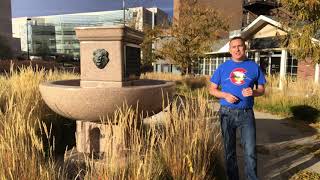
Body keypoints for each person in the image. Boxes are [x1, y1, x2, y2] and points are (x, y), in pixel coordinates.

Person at [209, 36, 266, 180]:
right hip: (226, 114)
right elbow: (212, 90)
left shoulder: (254, 67)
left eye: (240, 46)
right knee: (229, 151)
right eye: (234, 47)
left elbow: (261, 89)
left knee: (250, 151)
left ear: (244, 47)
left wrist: (254, 92)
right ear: (229, 50)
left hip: (246, 114)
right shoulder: (222, 68)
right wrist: (224, 95)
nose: (237, 49)